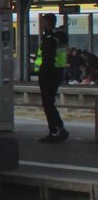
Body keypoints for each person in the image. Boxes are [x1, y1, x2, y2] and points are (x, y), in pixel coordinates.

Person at [34, 13, 68, 142]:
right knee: (50, 103)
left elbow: (47, 59)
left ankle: (53, 132)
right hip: (58, 73)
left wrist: (41, 73)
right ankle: (60, 128)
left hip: (48, 75)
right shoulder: (59, 38)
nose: (41, 25)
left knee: (47, 104)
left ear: (48, 23)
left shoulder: (50, 39)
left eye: (43, 22)